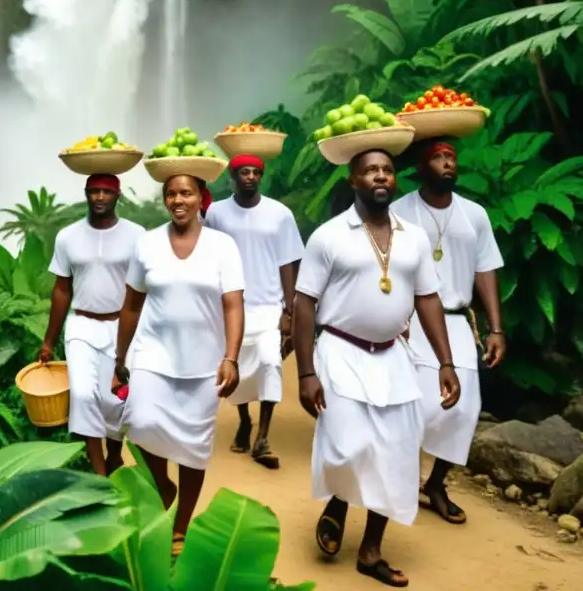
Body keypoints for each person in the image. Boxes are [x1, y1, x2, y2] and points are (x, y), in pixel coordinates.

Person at [292, 148, 461, 588]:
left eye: (387, 170)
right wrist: (305, 373)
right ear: (353, 181)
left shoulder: (414, 238)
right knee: (347, 445)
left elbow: (427, 298)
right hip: (341, 351)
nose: (380, 176)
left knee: (398, 453)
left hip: (393, 356)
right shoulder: (329, 236)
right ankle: (337, 504)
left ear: (395, 179)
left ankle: (370, 551)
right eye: (370, 171)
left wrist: (446, 360)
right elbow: (304, 302)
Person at [112, 172, 244, 557]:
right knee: (140, 422)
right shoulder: (147, 244)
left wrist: (231, 357)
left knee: (194, 448)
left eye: (186, 192)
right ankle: (162, 485)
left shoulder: (223, 246)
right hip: (154, 354)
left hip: (204, 362)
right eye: (170, 194)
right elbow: (133, 304)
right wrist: (120, 357)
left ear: (201, 197)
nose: (178, 200)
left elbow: (233, 304)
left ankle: (181, 526)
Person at [391, 139, 506, 525]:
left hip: (456, 319)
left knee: (464, 408)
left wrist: (496, 328)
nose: (447, 164)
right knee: (415, 406)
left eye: (451, 158)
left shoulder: (475, 215)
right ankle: (400, 480)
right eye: (438, 158)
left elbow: (486, 268)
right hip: (409, 321)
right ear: (422, 169)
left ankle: (436, 483)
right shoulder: (399, 211)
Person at [39, 173, 146, 476]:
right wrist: (49, 340)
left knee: (118, 400)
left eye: (106, 192)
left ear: (118, 196)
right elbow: (61, 289)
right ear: (86, 194)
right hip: (82, 325)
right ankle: (100, 473)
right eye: (94, 191)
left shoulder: (137, 235)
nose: (100, 197)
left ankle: (114, 454)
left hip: (122, 327)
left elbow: (143, 288)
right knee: (84, 396)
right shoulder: (67, 236)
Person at [203, 153, 304, 469]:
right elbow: (208, 255)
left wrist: (290, 310)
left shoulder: (280, 214)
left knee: (270, 362)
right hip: (230, 307)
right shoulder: (217, 213)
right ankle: (245, 420)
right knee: (238, 368)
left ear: (261, 177)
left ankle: (263, 436)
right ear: (232, 178)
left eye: (255, 172)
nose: (250, 177)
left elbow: (288, 262)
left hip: (269, 306)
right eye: (243, 172)